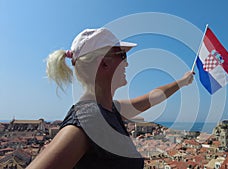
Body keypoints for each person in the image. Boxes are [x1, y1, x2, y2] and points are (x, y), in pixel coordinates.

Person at [26, 27, 194, 169]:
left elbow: (152, 98)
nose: (127, 63)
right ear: (104, 63)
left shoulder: (109, 110)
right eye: (122, 55)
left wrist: (182, 82)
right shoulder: (87, 120)